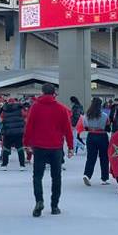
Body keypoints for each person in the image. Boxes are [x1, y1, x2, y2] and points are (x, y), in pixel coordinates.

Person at [23, 83, 74, 217]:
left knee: (37, 176)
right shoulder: (61, 109)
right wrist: (70, 147)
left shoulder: (35, 107)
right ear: (54, 94)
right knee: (56, 177)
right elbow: (67, 129)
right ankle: (55, 206)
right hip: (56, 147)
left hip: (39, 147)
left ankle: (39, 201)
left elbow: (29, 126)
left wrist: (26, 143)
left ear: (42, 92)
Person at [81, 97, 110, 186]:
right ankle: (104, 178)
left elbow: (85, 127)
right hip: (102, 136)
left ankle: (87, 175)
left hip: (91, 136)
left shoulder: (87, 115)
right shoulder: (105, 116)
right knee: (104, 158)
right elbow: (108, 128)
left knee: (91, 157)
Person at [0, 97, 27, 169]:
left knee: (6, 148)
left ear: (8, 102)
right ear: (14, 102)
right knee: (20, 148)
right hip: (18, 132)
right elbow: (25, 117)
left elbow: (0, 120)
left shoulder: (4, 109)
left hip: (8, 132)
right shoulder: (20, 108)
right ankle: (22, 165)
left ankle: (4, 165)